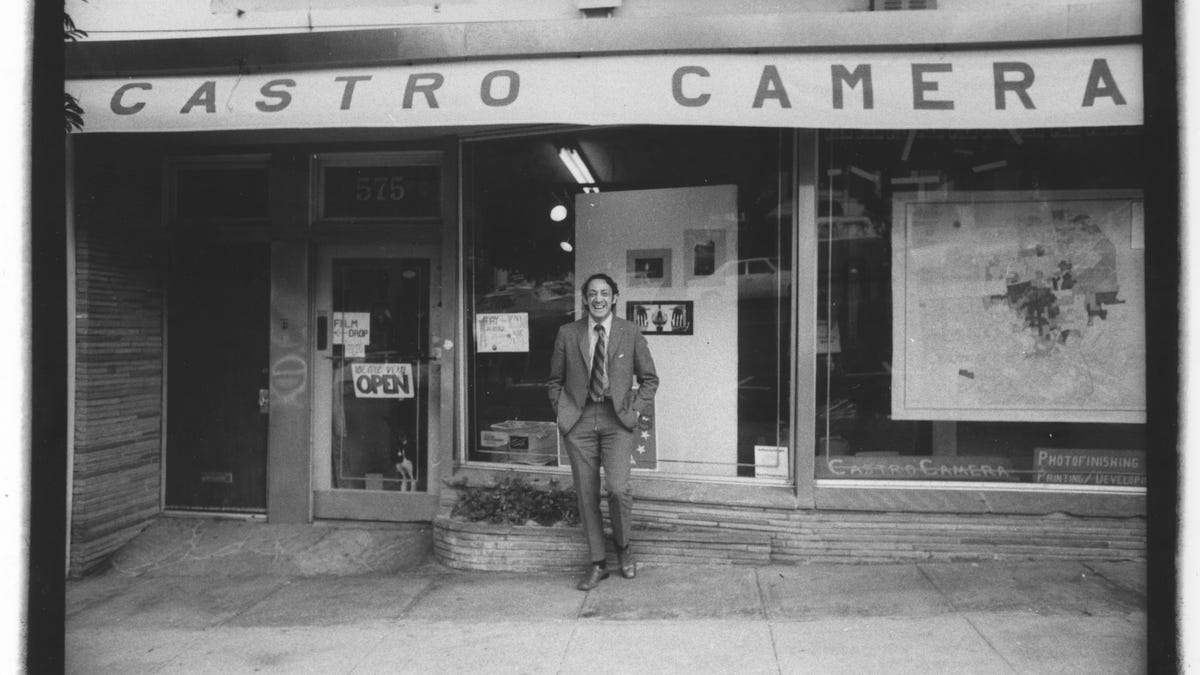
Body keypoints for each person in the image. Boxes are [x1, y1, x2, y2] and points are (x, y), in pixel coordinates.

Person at [548, 273, 658, 591]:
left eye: (604, 293)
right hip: (579, 421)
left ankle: (624, 549)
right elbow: (554, 380)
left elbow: (650, 378)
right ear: (585, 299)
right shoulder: (567, 333)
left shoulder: (630, 332)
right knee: (586, 495)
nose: (598, 298)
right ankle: (598, 563)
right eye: (592, 293)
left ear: (614, 297)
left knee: (619, 488)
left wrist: (634, 410)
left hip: (616, 420)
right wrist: (562, 410)